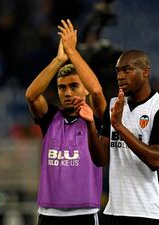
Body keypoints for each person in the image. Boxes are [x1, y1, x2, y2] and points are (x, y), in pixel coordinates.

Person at [25, 19, 106, 225]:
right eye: (62, 88)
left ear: (84, 88)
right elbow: (32, 96)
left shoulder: (96, 116)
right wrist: (59, 60)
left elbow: (96, 90)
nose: (67, 92)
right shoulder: (50, 117)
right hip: (49, 213)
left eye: (74, 86)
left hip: (85, 213)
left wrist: (72, 52)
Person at [84, 49, 159, 225]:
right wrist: (90, 124)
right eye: (118, 71)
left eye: (127, 70)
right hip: (116, 210)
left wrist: (119, 127)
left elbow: (156, 160)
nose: (120, 76)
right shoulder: (113, 105)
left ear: (145, 72)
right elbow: (100, 159)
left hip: (150, 211)